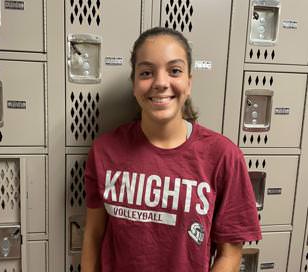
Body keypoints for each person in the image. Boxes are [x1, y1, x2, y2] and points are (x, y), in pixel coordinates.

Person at [81, 27, 261, 272]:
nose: (160, 83)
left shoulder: (224, 156)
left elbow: (229, 254)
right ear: (134, 84)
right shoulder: (104, 150)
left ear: (189, 82)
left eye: (174, 71)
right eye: (146, 73)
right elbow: (93, 235)